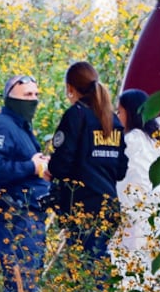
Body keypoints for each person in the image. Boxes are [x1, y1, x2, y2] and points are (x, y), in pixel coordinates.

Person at [0, 74, 51, 292]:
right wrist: (31, 167)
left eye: (36, 95)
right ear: (10, 98)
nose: (33, 100)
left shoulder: (21, 126)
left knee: (28, 287)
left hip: (30, 217)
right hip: (16, 218)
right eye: (27, 95)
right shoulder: (4, 126)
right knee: (20, 287)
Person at [47, 62, 128, 273]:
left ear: (70, 88)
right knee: (97, 263)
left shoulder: (76, 115)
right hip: (109, 207)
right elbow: (120, 170)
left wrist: (49, 168)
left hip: (83, 208)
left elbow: (61, 165)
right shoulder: (112, 120)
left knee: (84, 271)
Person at [113, 89, 160, 292]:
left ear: (130, 113)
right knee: (152, 279)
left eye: (119, 112)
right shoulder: (156, 142)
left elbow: (128, 183)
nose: (117, 117)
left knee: (132, 278)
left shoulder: (131, 141)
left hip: (137, 221)